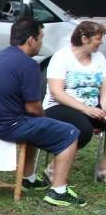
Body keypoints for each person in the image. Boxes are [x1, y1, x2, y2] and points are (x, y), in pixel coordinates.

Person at [0, 17, 85, 207]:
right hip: (4, 126)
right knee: (70, 133)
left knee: (34, 125)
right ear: (31, 40)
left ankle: (28, 178)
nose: (42, 43)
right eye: (40, 38)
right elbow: (33, 107)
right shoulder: (28, 64)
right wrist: (45, 119)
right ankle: (58, 191)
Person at [43, 20, 106, 181]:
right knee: (82, 129)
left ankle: (103, 169)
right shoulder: (62, 57)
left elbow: (104, 89)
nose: (102, 41)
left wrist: (104, 107)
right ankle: (53, 169)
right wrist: (86, 109)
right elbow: (57, 93)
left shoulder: (99, 58)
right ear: (85, 38)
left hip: (92, 107)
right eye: (99, 38)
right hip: (60, 106)